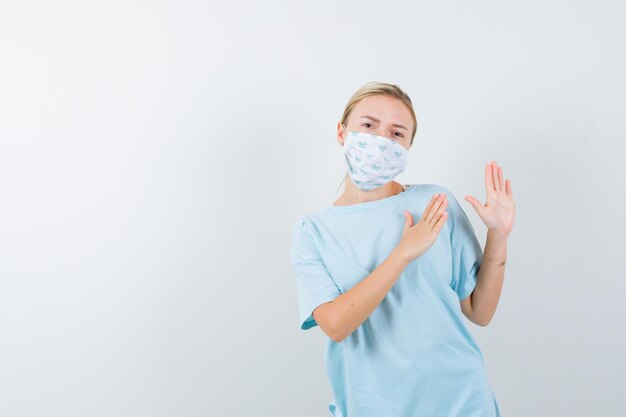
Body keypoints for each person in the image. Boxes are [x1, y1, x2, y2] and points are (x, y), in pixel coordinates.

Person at [289, 81, 516, 417]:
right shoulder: (313, 232)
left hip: (462, 401)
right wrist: (402, 254)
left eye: (397, 133)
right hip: (373, 405)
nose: (381, 140)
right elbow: (336, 324)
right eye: (368, 125)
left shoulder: (435, 203)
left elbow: (479, 311)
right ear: (342, 133)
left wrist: (498, 235)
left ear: (408, 147)